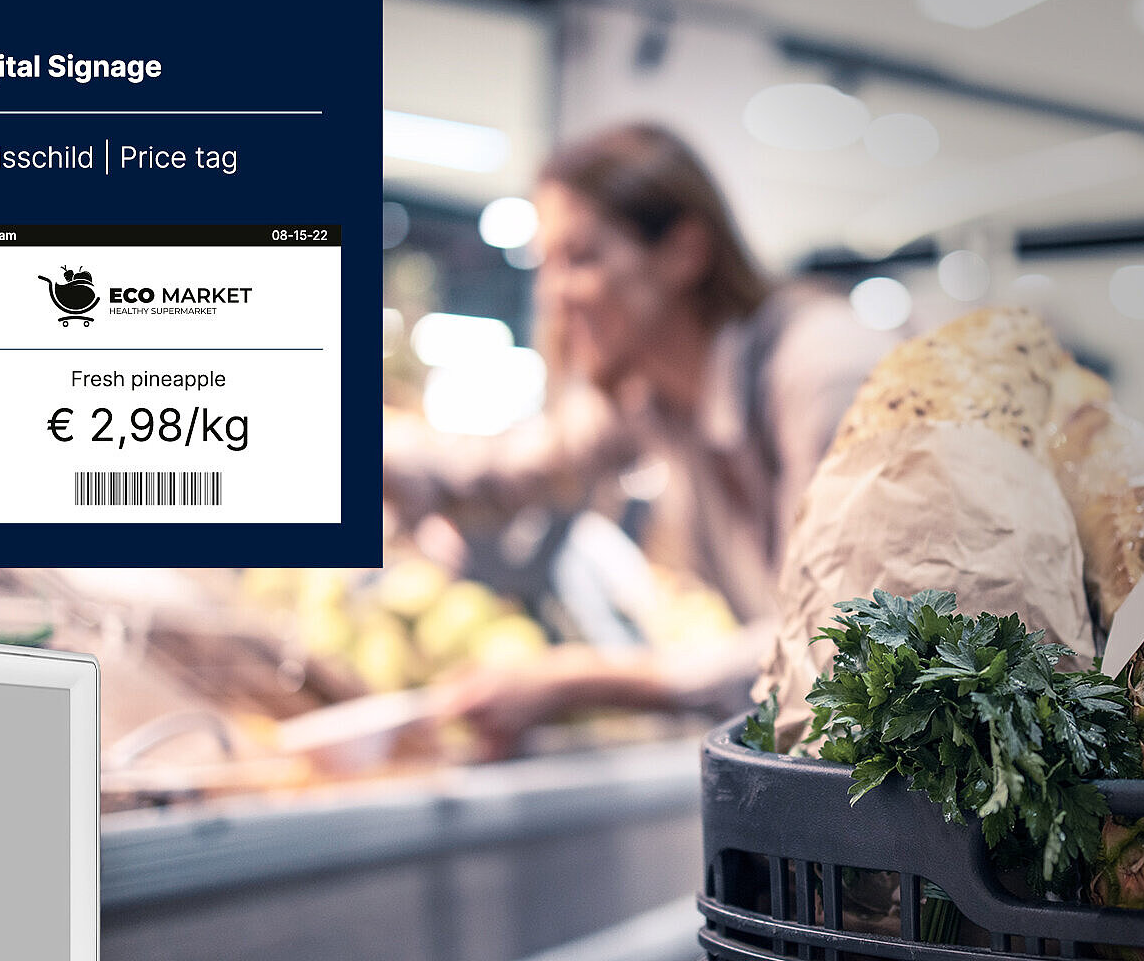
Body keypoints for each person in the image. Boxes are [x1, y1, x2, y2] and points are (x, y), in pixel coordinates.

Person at [384, 122, 898, 758]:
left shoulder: (825, 375)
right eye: (546, 265)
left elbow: (850, 650)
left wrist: (584, 680)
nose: (553, 297)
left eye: (582, 259)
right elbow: (501, 473)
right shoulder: (655, 396)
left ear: (685, 253)